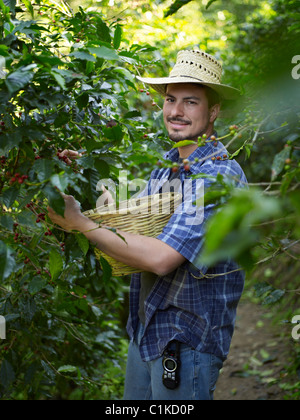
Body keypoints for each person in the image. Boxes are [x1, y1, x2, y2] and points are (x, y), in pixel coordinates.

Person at [48, 49, 248, 400]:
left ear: (213, 110)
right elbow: (131, 227)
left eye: (191, 102)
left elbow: (161, 258)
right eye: (171, 100)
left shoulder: (218, 177)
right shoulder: (168, 166)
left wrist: (80, 223)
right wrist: (88, 172)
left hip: (186, 342)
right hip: (148, 330)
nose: (175, 111)